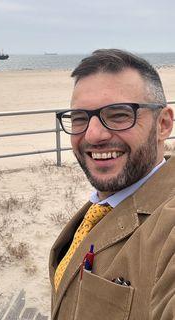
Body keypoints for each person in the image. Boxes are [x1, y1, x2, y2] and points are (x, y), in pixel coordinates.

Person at [49, 49, 174, 320]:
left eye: (119, 115)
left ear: (163, 124)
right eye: (80, 118)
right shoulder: (105, 203)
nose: (93, 135)